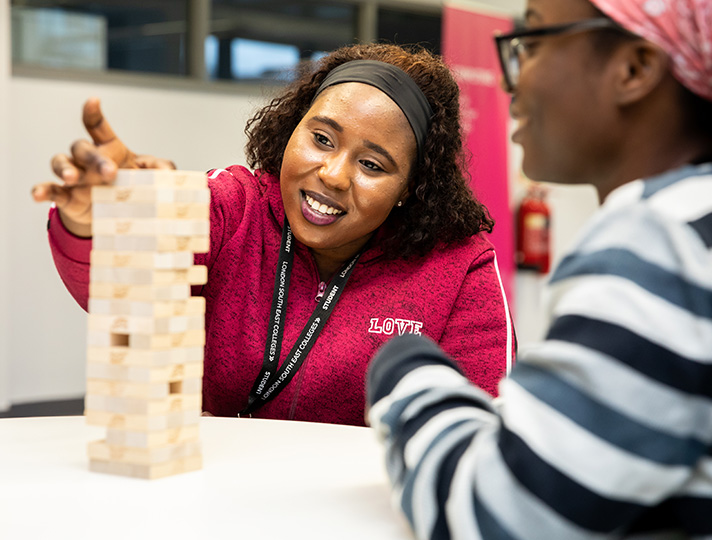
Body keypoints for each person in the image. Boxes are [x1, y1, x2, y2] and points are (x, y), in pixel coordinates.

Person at [367, 0, 712, 537]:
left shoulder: (662, 241)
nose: (512, 82)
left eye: (530, 43)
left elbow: (499, 516)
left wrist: (405, 368)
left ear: (634, 70)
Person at [33, 43, 514, 426]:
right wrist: (104, 220)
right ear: (292, 132)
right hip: (222, 498)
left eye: (371, 164)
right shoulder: (236, 206)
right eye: (321, 139)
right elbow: (123, 285)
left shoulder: (457, 266)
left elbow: (484, 426)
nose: (332, 174)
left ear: (409, 187)